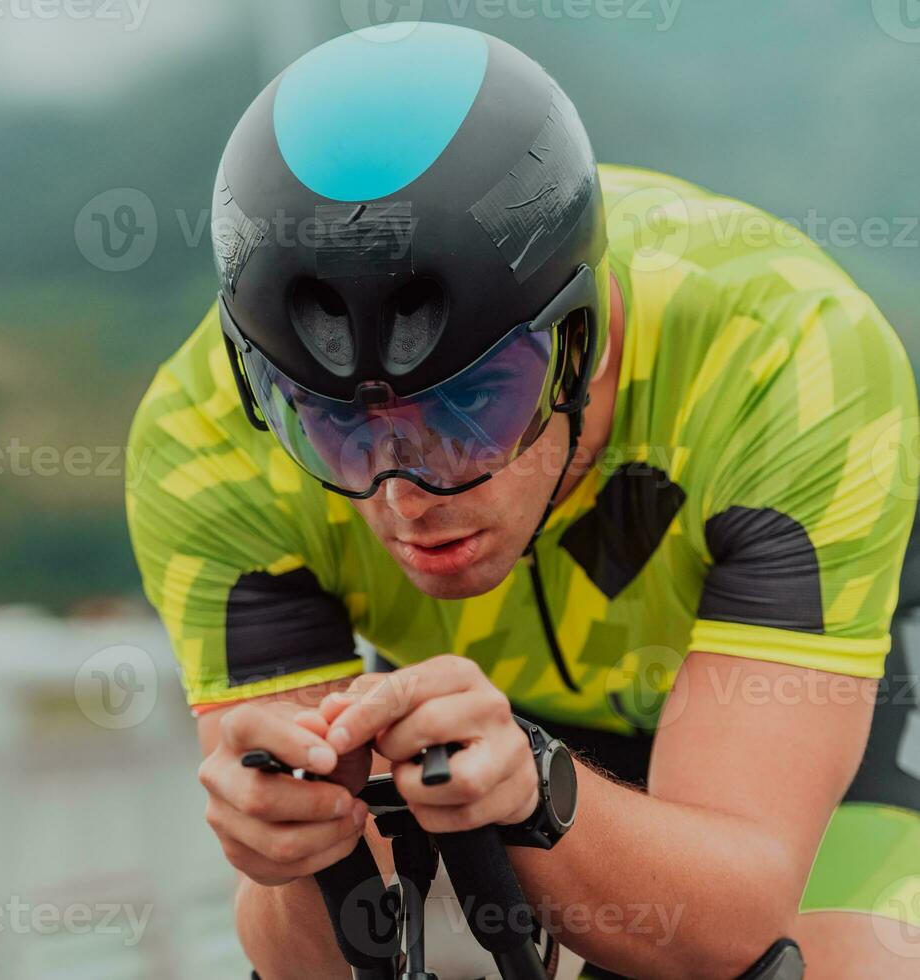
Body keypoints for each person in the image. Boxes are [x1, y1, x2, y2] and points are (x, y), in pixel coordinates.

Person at [124, 21, 920, 980]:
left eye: (469, 408)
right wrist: (298, 853)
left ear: (576, 345)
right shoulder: (202, 443)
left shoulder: (790, 357)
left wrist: (538, 793)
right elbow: (315, 963)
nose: (404, 496)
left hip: (811, 707)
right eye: (335, 429)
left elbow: (735, 916)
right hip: (500, 726)